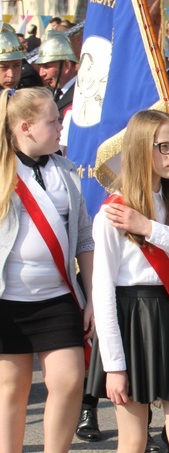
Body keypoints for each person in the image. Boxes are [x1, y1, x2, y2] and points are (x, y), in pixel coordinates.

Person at [86, 109, 169, 453]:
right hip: (131, 318)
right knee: (133, 440)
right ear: (141, 148)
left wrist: (148, 228)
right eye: (164, 147)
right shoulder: (112, 213)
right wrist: (114, 365)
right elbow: (102, 292)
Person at [0, 87, 94, 453]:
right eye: (53, 121)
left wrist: (90, 297)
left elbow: (85, 237)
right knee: (12, 388)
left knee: (70, 380)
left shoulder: (66, 169)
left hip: (57, 295)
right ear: (25, 127)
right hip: (8, 298)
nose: (60, 128)